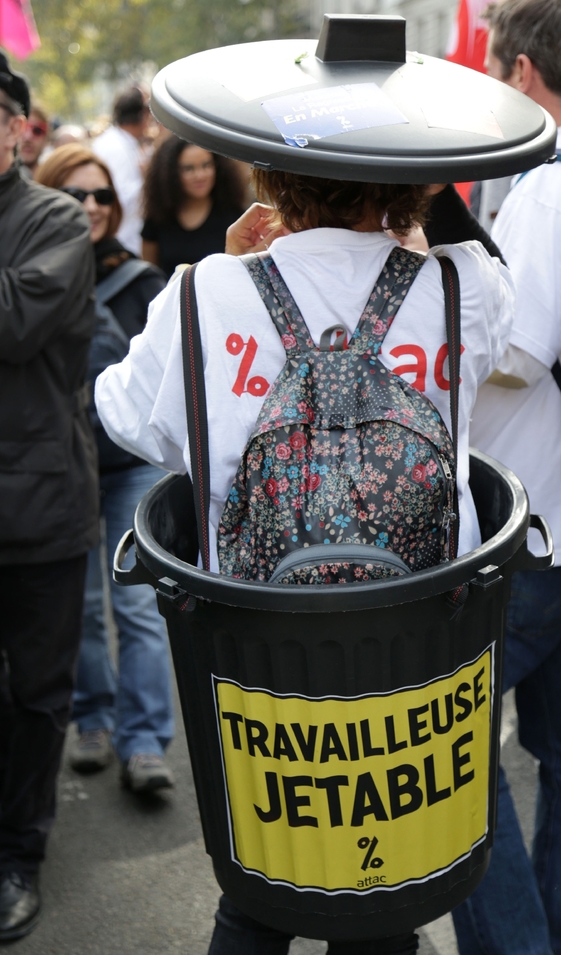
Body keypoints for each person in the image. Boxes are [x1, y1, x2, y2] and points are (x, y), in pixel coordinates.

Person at [96, 138, 515, 948]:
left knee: (261, 884)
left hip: (255, 651)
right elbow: (506, 321)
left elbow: (122, 411)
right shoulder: (465, 284)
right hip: (416, 646)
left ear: (270, 173)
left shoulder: (205, 290)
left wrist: (213, 287)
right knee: (384, 897)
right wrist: (420, 228)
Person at [451, 2, 561, 954]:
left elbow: (517, 349)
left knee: (447, 749)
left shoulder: (556, 186)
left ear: (520, 72)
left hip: (539, 516)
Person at [36, 144, 175, 794]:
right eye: (74, 195)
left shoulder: (138, 281)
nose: (90, 207)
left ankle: (144, 740)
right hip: (59, 465)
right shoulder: (32, 273)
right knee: (83, 608)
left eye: (100, 196)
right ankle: (92, 721)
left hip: (126, 469)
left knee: (139, 605)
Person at [0, 54, 98, 940]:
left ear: (16, 129)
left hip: (38, 507)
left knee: (36, 694)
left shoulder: (56, 218)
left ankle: (19, 852)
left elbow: (13, 322)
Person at [141, 135, 246, 278]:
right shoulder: (158, 217)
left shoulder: (234, 216)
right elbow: (151, 275)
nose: (200, 175)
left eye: (206, 165)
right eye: (188, 169)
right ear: (170, 174)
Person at [93, 86, 152, 255]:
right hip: (122, 247)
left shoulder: (123, 143)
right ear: (142, 114)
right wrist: (148, 179)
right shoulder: (115, 147)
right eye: (149, 110)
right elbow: (122, 200)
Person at [17, 100, 49, 177]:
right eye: (22, 128)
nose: (28, 137)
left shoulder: (55, 182)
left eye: (37, 130)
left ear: (47, 139)